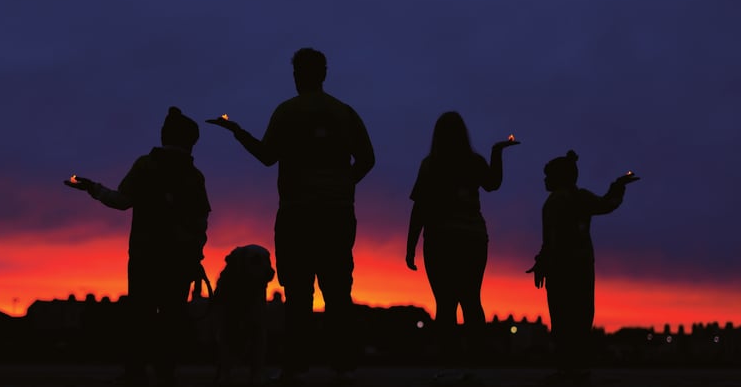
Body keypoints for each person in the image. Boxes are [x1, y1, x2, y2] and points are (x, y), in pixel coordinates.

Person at [207, 47, 375, 383]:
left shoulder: (287, 112)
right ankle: (343, 366)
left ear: (298, 74)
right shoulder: (345, 113)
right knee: (338, 290)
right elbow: (368, 159)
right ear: (324, 75)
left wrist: (238, 133)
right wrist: (343, 185)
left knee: (298, 292)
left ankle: (295, 367)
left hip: (297, 215)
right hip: (337, 215)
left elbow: (267, 157)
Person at [65, 106, 211, 387]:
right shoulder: (194, 177)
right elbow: (200, 222)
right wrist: (195, 255)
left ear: (164, 134)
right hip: (179, 260)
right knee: (172, 317)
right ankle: (166, 372)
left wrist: (92, 188)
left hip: (145, 255)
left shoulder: (146, 165)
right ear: (191, 142)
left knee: (140, 316)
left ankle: (135, 372)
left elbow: (121, 201)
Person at [405, 111, 519, 370]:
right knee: (471, 300)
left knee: (445, 304)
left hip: (441, 240)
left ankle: (448, 365)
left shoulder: (430, 164)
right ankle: (474, 365)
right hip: (473, 238)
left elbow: (419, 208)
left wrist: (410, 246)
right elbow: (494, 184)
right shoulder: (473, 161)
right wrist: (497, 153)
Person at [526, 150, 638, 386]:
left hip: (561, 269)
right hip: (582, 267)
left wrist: (543, 263)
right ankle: (578, 368)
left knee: (563, 318)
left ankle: (567, 368)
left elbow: (551, 240)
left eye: (548, 176)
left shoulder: (554, 203)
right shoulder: (581, 198)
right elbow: (608, 204)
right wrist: (618, 187)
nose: (544, 180)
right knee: (581, 317)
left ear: (559, 178)